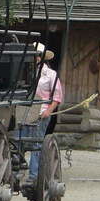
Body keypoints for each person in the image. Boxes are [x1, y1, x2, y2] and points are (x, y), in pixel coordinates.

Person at [27, 43, 62, 181]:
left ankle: (34, 175)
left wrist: (49, 111)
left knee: (37, 143)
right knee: (17, 142)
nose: (35, 58)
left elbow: (57, 97)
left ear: (42, 57)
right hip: (25, 112)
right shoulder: (25, 73)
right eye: (33, 56)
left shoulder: (51, 75)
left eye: (37, 55)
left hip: (41, 112)